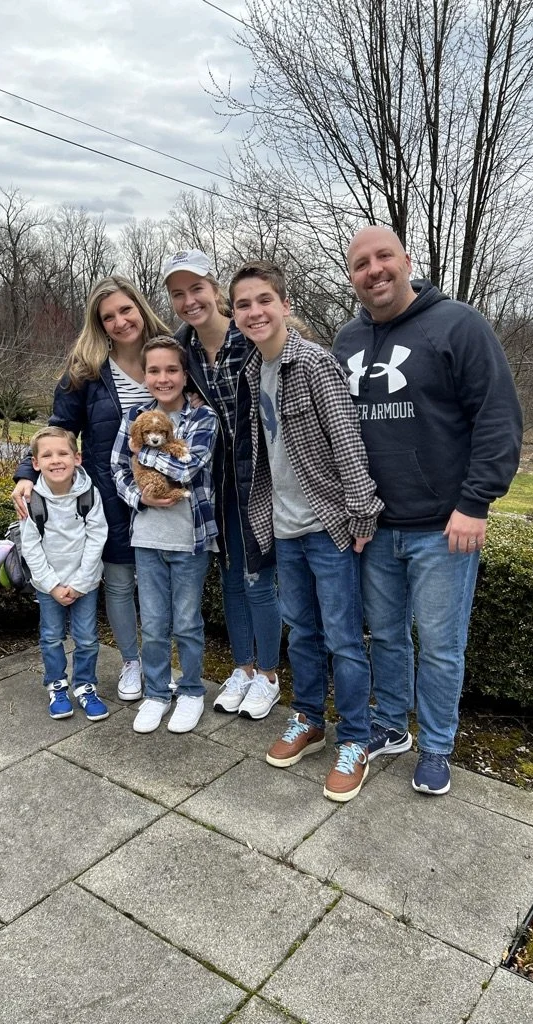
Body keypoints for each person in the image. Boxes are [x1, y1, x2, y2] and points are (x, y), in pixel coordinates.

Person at [333, 225, 523, 796]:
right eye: (361, 263)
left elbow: (497, 417)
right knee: (386, 636)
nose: (374, 270)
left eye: (383, 256)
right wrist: (351, 511)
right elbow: (336, 434)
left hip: (444, 527)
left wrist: (475, 502)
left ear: (406, 260)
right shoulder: (346, 340)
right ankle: (391, 727)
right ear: (352, 277)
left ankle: (437, 745)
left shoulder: (459, 324)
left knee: (441, 646)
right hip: (375, 526)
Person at [230, 259, 384, 803]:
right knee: (303, 631)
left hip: (328, 527)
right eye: (243, 304)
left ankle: (357, 740)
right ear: (235, 314)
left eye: (263, 300)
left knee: (344, 636)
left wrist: (362, 512)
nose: (254, 312)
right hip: (285, 528)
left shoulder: (315, 363)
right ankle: (310, 719)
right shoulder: (254, 370)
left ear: (284, 304)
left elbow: (347, 442)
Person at [12, 277, 171, 703]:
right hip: (110, 494)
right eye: (108, 317)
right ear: (98, 324)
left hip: (166, 492)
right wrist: (28, 471)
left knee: (163, 584)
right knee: (119, 584)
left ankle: (163, 663)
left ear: (141, 307)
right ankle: (132, 663)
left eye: (126, 310)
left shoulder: (171, 356)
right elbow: (57, 430)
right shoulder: (85, 371)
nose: (120, 322)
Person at [162, 249, 283, 720]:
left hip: (260, 478)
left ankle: (270, 675)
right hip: (216, 484)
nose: (190, 300)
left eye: (197, 289)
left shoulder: (250, 337)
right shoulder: (183, 351)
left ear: (215, 290)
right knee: (231, 579)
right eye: (179, 293)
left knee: (259, 580)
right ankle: (244, 669)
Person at [111, 336, 219, 735]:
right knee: (154, 623)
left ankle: (191, 690)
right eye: (154, 370)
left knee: (187, 621)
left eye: (172, 369)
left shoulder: (203, 418)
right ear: (145, 374)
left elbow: (187, 470)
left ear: (185, 373)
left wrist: (142, 454)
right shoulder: (134, 415)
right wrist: (139, 495)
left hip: (190, 540)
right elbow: (117, 470)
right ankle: (156, 692)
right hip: (147, 538)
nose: (163, 377)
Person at [20, 426, 109, 721]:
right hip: (49, 586)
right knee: (51, 637)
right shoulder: (32, 500)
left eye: (62, 453)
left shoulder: (89, 494)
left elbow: (97, 537)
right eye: (47, 455)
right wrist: (53, 585)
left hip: (85, 583)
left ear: (77, 458)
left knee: (86, 638)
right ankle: (57, 685)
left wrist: (81, 583)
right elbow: (31, 547)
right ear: (35, 463)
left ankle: (85, 686)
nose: (56, 460)